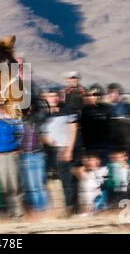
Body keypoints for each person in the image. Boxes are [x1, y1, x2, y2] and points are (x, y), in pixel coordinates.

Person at [41, 87, 79, 215]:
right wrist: (46, 139)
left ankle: (71, 208)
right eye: (50, 96)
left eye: (55, 96)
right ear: (46, 98)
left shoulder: (68, 110)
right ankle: (53, 210)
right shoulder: (44, 113)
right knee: (50, 182)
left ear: (59, 97)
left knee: (67, 181)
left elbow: (73, 129)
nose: (52, 98)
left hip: (64, 149)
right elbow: (41, 132)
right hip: (48, 152)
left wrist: (69, 149)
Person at [0, 104, 25, 220]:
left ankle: (18, 213)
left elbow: (21, 135)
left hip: (12, 155)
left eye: (1, 106)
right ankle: (9, 211)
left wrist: (18, 146)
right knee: (4, 185)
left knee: (15, 184)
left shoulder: (15, 119)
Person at [80, 84, 113, 161]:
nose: (97, 97)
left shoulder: (109, 108)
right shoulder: (84, 110)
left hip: (105, 146)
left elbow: (114, 127)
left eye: (99, 94)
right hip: (90, 146)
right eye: (94, 95)